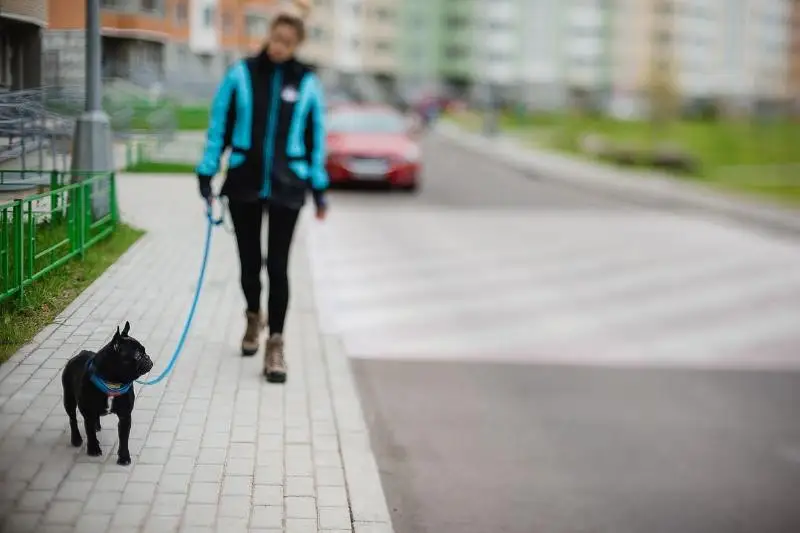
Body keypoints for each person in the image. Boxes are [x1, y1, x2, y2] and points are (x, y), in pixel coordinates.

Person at [195, 10, 328, 383]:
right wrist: (207, 172)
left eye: (288, 42)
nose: (280, 47)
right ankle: (254, 316)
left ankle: (276, 345)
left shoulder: (306, 82)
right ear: (269, 35)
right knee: (249, 264)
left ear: (297, 44)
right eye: (276, 39)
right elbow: (218, 123)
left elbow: (317, 136)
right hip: (244, 182)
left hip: (288, 185)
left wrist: (319, 187)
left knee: (279, 267)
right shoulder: (241, 73)